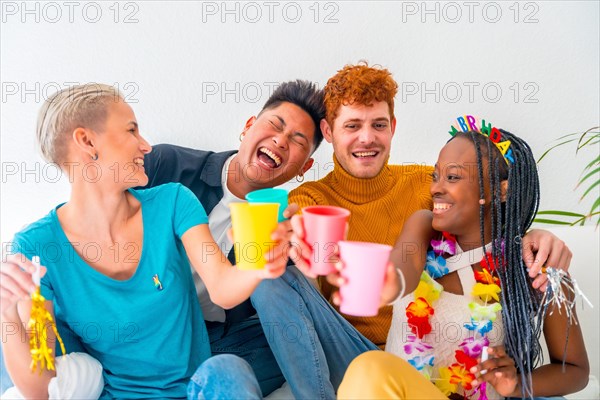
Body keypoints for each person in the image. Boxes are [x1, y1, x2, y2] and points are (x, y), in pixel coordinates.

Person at [0, 83, 286, 399]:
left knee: (228, 371)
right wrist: (7, 316)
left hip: (193, 392)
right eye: (132, 131)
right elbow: (42, 386)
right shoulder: (36, 249)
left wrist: (262, 258)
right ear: (87, 141)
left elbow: (223, 288)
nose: (146, 146)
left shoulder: (172, 202)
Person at [289, 63, 570, 350]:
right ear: (327, 130)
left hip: (422, 344)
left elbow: (486, 210)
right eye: (352, 125)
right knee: (279, 282)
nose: (367, 138)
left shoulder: (429, 184)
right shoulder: (311, 200)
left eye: (378, 124)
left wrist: (532, 235)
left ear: (393, 127)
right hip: (348, 345)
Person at [141, 80, 379, 399]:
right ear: (249, 126)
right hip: (152, 335)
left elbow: (297, 311)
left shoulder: (289, 220)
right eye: (275, 125)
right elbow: (98, 218)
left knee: (276, 280)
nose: (280, 141)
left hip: (227, 344)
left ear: (304, 168)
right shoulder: (169, 166)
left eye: (297, 140)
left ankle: (380, 380)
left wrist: (322, 263)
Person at [337, 120, 589, 399]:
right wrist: (381, 284)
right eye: (436, 176)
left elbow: (575, 370)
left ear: (500, 191)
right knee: (370, 368)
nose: (436, 188)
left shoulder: (533, 266)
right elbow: (401, 273)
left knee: (370, 367)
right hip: (403, 391)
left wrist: (517, 383)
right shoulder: (424, 227)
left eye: (453, 177)